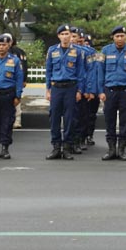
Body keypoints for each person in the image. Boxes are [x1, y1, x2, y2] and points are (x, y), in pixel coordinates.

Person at [45, 24, 86, 160]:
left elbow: (81, 72)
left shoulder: (78, 52)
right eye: (62, 34)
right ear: (58, 36)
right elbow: (49, 71)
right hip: (56, 88)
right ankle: (56, 147)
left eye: (67, 34)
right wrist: (48, 90)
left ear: (71, 35)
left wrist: (79, 90)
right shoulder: (52, 51)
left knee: (70, 118)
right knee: (54, 117)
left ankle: (67, 147)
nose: (65, 37)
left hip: (71, 88)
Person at [99, 26, 126, 161]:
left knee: (125, 121)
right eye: (117, 36)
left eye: (122, 36)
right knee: (109, 119)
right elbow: (100, 72)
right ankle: (111, 150)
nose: (120, 38)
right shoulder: (105, 50)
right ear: (113, 37)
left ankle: (121, 149)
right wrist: (101, 91)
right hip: (110, 91)